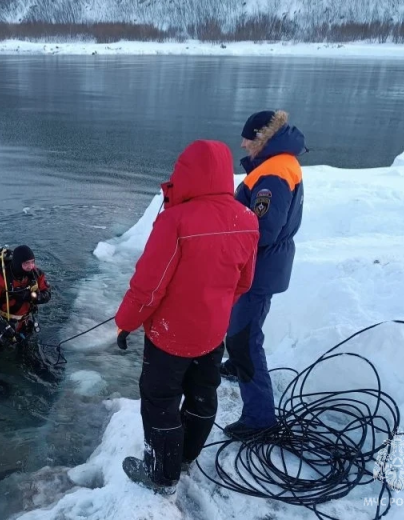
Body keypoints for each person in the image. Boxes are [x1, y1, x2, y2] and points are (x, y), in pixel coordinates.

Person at [114, 139, 260, 494]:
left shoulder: (175, 220)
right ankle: (185, 457)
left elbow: (149, 287)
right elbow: (244, 282)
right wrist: (213, 307)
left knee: (160, 401)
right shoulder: (247, 218)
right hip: (213, 333)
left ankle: (162, 475)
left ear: (186, 172)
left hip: (170, 336)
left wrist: (126, 322)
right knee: (202, 394)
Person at [219, 109, 307, 441]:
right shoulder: (280, 163)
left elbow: (262, 229)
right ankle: (236, 366)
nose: (242, 144)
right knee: (243, 325)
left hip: (260, 266)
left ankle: (259, 417)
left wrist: (227, 245)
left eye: (246, 139)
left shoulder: (273, 174)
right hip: (266, 263)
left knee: (244, 338)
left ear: (261, 138)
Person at [0, 245, 51, 385]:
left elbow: (47, 294)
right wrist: (0, 326)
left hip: (24, 323)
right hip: (2, 324)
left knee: (27, 354)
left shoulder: (36, 274)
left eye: (32, 262)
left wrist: (32, 296)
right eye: (26, 263)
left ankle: (38, 376)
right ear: (17, 263)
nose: (31, 266)